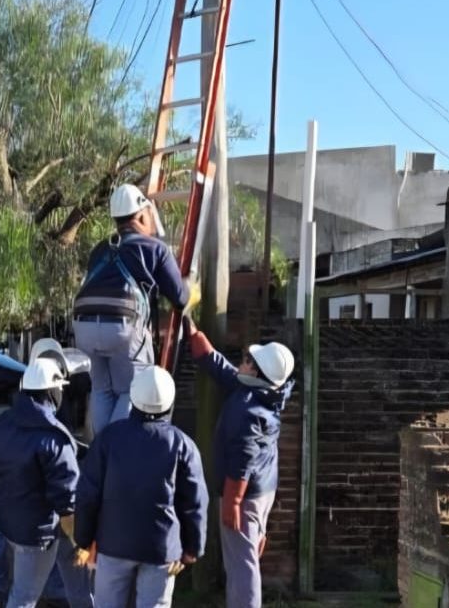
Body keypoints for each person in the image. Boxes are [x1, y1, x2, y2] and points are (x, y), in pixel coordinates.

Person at [74, 365, 208, 608]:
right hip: (162, 548)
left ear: (134, 397)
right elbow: (195, 502)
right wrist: (192, 547)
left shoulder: (109, 438)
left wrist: (84, 539)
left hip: (113, 543)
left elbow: (87, 494)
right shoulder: (183, 445)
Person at [184, 317, 295, 608]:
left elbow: (242, 461)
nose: (242, 361)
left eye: (247, 359)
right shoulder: (265, 391)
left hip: (244, 495)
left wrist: (232, 502)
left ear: (256, 373)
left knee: (242, 565)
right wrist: (196, 336)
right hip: (262, 490)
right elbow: (223, 370)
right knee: (245, 556)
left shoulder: (248, 410)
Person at [73, 183, 194, 437]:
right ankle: (115, 451)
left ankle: (100, 454)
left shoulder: (99, 249)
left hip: (83, 325)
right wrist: (192, 285)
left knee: (102, 389)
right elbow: (180, 298)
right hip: (122, 328)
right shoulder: (155, 249)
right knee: (131, 389)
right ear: (140, 215)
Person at [0, 358, 93, 608]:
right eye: (60, 388)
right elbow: (68, 503)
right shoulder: (53, 438)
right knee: (23, 598)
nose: (62, 392)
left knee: (75, 584)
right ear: (51, 391)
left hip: (10, 524)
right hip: (41, 533)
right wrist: (83, 543)